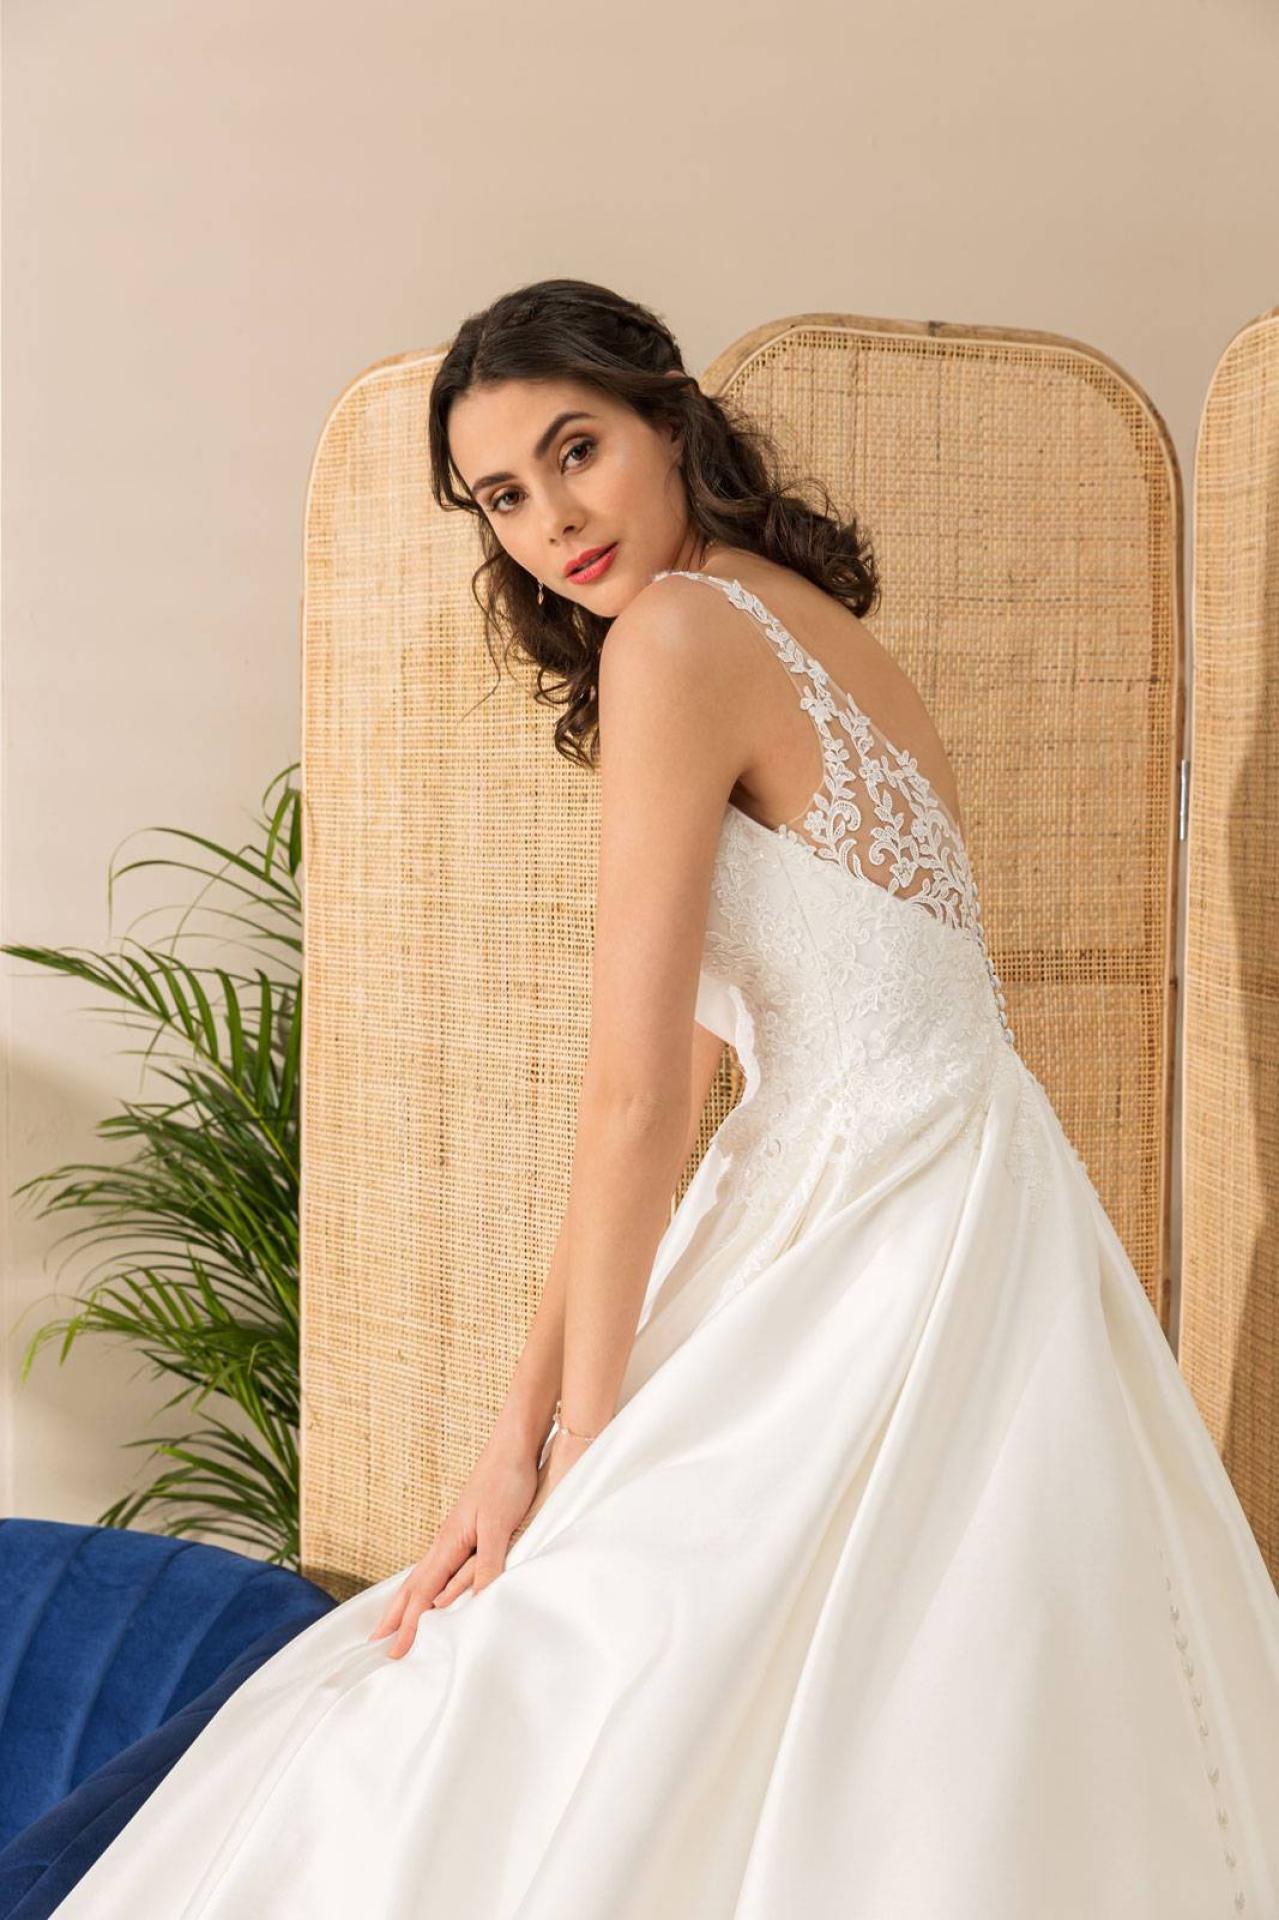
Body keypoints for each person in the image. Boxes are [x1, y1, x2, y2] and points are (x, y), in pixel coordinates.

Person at [49, 278, 1279, 1918]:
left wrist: (572, 1454)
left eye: (577, 450)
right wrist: (525, 1429)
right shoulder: (805, 622)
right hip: (972, 1195)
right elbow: (683, 1076)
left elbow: (636, 1098)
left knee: (546, 1684)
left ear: (671, 420)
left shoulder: (676, 639)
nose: (553, 521)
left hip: (866, 1225)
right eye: (504, 495)